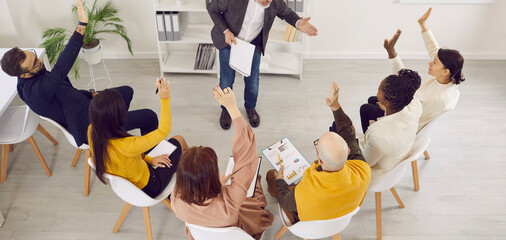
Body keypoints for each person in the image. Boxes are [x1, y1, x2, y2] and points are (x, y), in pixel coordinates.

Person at [0, 0, 158, 147]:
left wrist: (90, 94)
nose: (40, 61)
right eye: (35, 63)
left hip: (85, 107)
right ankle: (143, 151)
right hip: (89, 127)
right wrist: (81, 26)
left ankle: (116, 133)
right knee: (149, 117)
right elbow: (61, 69)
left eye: (34, 55)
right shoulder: (36, 93)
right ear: (23, 75)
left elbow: (64, 92)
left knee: (126, 92)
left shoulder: (33, 76)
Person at [170, 86, 273, 240]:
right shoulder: (230, 202)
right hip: (237, 232)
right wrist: (232, 108)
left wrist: (214, 182)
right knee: (254, 184)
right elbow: (247, 157)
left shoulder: (176, 201)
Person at [266, 81, 371, 223]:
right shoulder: (363, 170)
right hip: (341, 218)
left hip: (309, 224)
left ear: (319, 161)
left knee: (271, 176)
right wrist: (335, 106)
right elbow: (349, 135)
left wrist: (279, 180)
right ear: (348, 153)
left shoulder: (304, 192)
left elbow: (285, 200)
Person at [207, 0, 318, 129]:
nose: (269, 1)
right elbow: (212, 8)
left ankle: (250, 108)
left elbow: (287, 14)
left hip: (253, 43)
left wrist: (298, 23)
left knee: (252, 81)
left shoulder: (273, 1)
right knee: (226, 80)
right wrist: (226, 31)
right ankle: (226, 110)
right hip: (229, 41)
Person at [360, 7, 464, 133]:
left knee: (365, 109)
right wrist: (423, 24)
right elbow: (433, 50)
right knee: (373, 99)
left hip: (405, 125)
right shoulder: (449, 79)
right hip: (410, 109)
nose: (430, 62)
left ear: (446, 70)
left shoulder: (437, 98)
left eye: (434, 62)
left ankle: (371, 144)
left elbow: (409, 113)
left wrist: (388, 110)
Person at [87, 78, 189, 198]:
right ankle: (192, 175)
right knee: (179, 140)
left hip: (128, 186)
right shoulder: (128, 145)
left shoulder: (92, 131)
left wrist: (150, 159)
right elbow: (163, 131)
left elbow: (127, 158)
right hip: (151, 185)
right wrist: (165, 99)